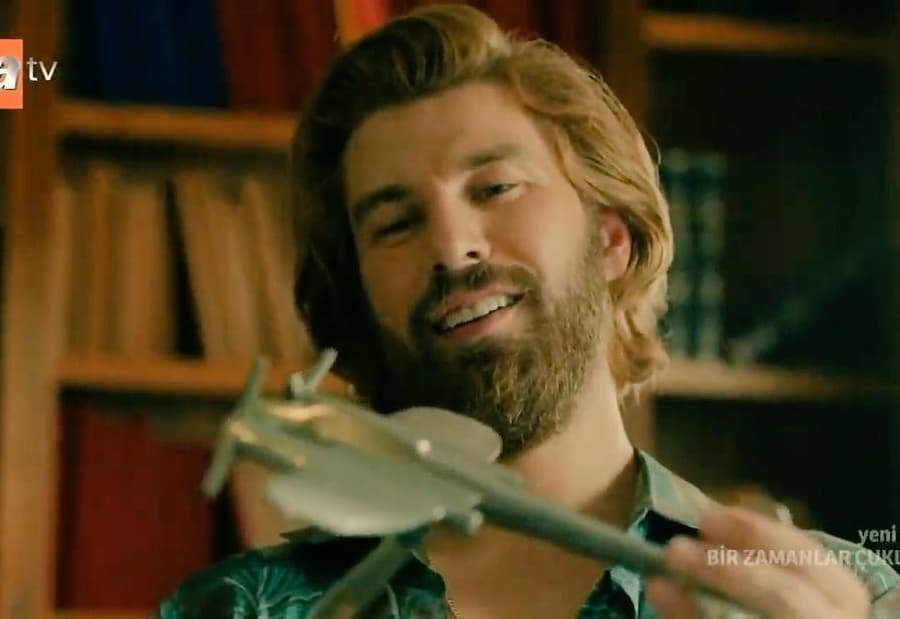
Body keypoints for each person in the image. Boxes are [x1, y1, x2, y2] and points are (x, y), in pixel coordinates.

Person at [158, 5, 898, 617]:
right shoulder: (243, 608)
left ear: (612, 238)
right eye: (396, 223)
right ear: (357, 299)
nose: (452, 247)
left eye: (495, 188)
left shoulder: (852, 597)